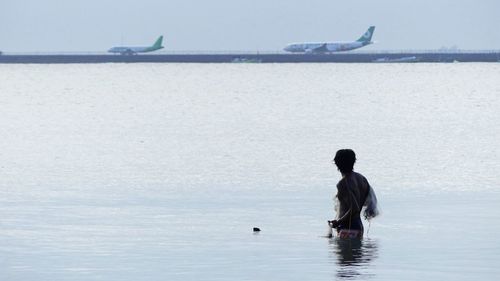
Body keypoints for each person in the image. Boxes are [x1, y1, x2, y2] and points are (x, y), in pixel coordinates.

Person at [328, 149, 379, 238]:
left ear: (337, 163)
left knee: (344, 251)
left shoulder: (343, 183)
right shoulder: (361, 178)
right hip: (358, 226)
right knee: (356, 251)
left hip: (347, 227)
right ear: (353, 162)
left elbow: (354, 208)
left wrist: (338, 222)